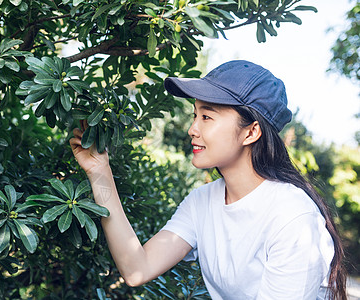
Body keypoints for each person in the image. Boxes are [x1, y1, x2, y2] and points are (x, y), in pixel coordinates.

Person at [69, 60, 347, 299]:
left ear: (251, 132)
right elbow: (136, 268)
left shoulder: (291, 216)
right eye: (195, 115)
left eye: (207, 117)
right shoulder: (203, 202)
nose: (192, 129)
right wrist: (100, 172)